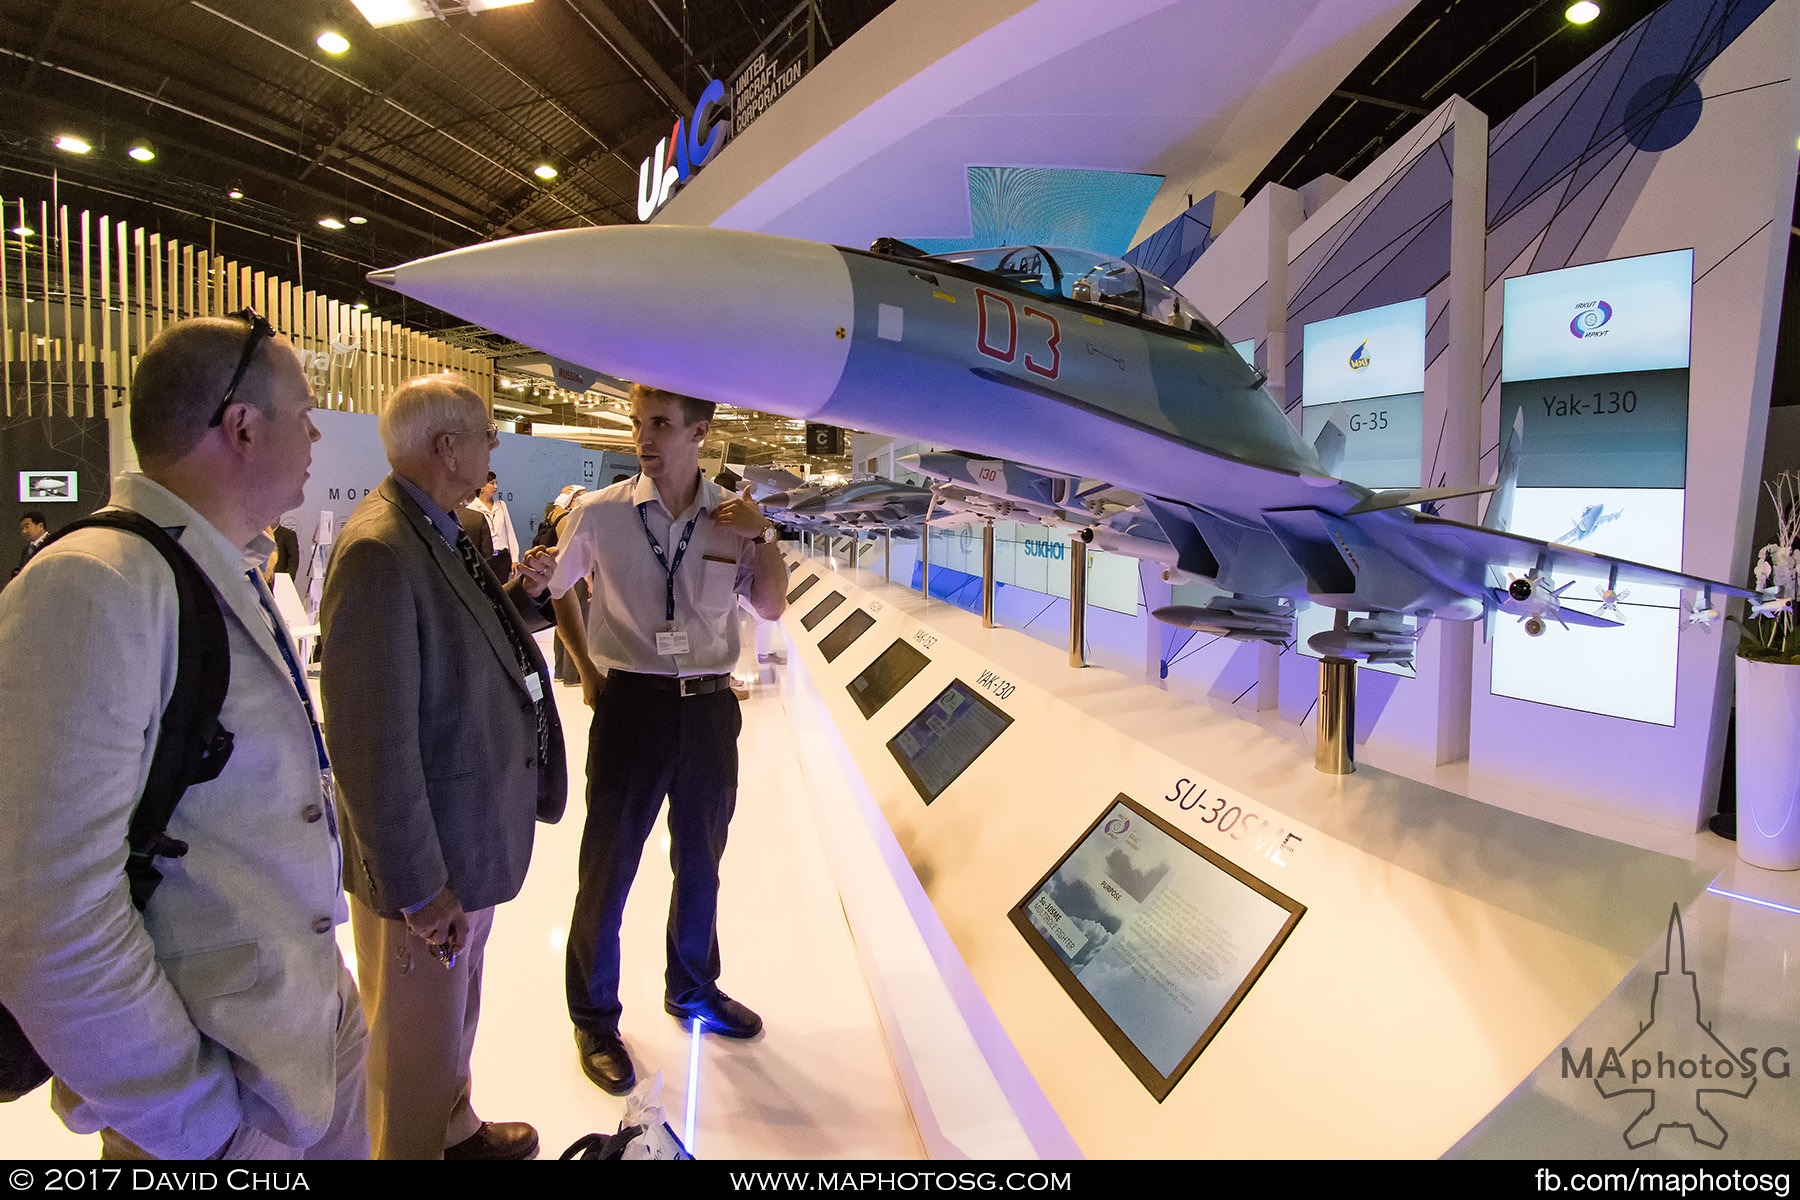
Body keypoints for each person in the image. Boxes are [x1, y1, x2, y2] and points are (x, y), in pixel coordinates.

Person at [0, 312, 368, 1160]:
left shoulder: (219, 564)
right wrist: (197, 1123)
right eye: (303, 412)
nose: (316, 434)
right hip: (219, 1096)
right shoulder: (94, 585)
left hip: (303, 1043)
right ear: (241, 426)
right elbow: (49, 919)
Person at [319, 373, 567, 1160]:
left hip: (462, 845)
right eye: (486, 435)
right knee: (409, 1052)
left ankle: (455, 1133)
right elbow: (371, 746)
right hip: (427, 871)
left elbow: (461, 635)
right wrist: (422, 891)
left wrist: (523, 601)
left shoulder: (437, 526)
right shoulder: (380, 550)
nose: (494, 449)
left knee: (448, 1026)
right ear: (445, 446)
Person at [548, 383, 785, 1095]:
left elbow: (770, 603)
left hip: (710, 709)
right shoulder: (599, 515)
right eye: (636, 424)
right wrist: (587, 666)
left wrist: (763, 532)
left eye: (659, 425)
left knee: (702, 860)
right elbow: (557, 584)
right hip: (633, 707)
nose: (643, 439)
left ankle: (692, 987)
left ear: (700, 433)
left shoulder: (731, 518)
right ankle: (594, 1018)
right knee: (609, 865)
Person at [468, 472, 521, 578]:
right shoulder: (472, 508)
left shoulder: (501, 505)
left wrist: (515, 558)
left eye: (496, 483)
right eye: (491, 483)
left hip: (502, 557)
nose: (495, 486)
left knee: (503, 590)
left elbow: (510, 533)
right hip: (485, 559)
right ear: (482, 486)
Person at [13, 512, 48, 577]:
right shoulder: (27, 549)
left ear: (40, 526)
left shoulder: (51, 543)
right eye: (22, 528)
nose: (24, 531)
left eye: (27, 527)